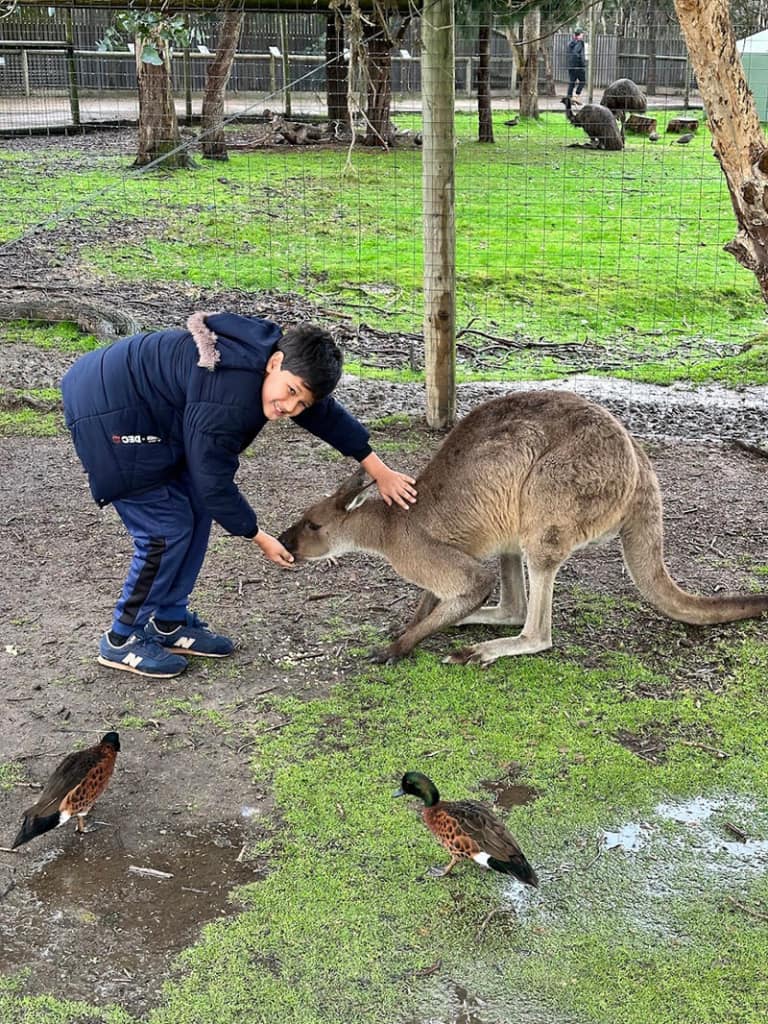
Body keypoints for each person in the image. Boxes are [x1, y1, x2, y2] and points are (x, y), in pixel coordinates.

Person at [61, 312, 417, 679]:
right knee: (165, 529)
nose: (290, 409)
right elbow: (212, 478)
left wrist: (377, 468)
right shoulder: (229, 396)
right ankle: (123, 637)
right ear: (275, 363)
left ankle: (167, 620)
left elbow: (322, 412)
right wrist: (256, 535)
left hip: (145, 408)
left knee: (196, 511)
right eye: (291, 393)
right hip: (106, 412)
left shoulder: (274, 366)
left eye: (301, 404)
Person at [566, 29, 586, 100]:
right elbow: (576, 54)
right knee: (583, 81)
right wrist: (582, 64)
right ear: (579, 35)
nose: (583, 35)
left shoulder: (570, 43)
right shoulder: (580, 43)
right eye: (582, 34)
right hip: (578, 66)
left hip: (571, 66)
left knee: (572, 82)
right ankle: (576, 96)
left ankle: (569, 97)